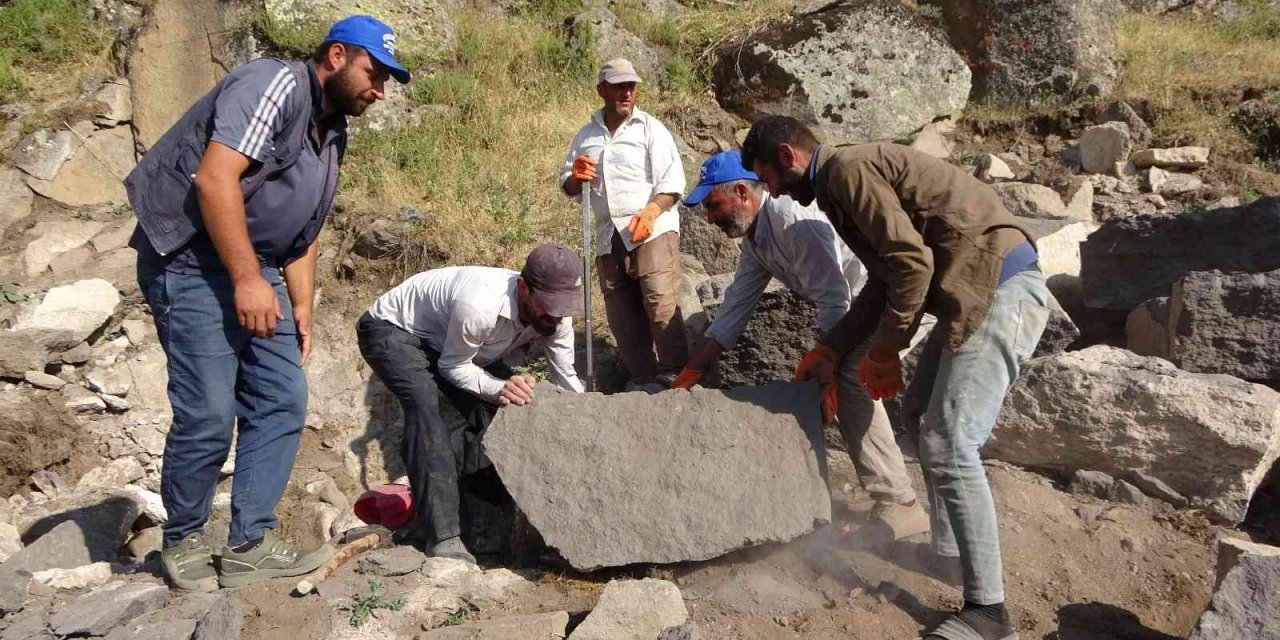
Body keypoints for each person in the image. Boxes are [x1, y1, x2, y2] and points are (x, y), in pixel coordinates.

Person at [125, 15, 410, 591]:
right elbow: (215, 180)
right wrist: (250, 280)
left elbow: (304, 231)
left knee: (282, 396)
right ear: (336, 56)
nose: (379, 90)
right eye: (373, 74)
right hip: (190, 262)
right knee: (208, 412)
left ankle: (250, 542)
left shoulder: (332, 131)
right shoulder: (273, 84)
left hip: (255, 268)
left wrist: (300, 305)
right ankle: (182, 541)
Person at [740, 116, 1050, 640]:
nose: (767, 190)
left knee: (951, 443)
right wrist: (831, 348)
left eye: (765, 177)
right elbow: (884, 282)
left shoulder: (846, 171)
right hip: (972, 291)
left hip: (998, 288)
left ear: (789, 158)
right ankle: (952, 551)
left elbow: (912, 264)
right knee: (919, 413)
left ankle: (988, 613)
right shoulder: (842, 180)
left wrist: (885, 352)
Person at [671, 150, 932, 540]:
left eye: (713, 205)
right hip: (856, 308)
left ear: (742, 191)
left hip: (883, 301)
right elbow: (734, 309)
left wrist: (829, 367)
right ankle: (885, 492)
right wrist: (690, 373)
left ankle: (902, 504)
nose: (709, 218)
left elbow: (834, 299)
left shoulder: (794, 222)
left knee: (850, 379)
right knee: (835, 380)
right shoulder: (758, 240)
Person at [356, 244, 586, 564]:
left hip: (452, 346)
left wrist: (589, 422)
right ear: (523, 287)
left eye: (564, 307)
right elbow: (453, 367)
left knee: (499, 414)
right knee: (426, 410)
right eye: (548, 305)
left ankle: (485, 527)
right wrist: (498, 387)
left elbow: (566, 378)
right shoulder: (480, 305)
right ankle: (443, 537)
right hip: (394, 330)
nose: (556, 315)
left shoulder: (556, 318)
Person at [559, 58, 687, 391]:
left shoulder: (650, 128)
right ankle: (644, 379)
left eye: (631, 86)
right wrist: (575, 177)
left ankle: (676, 374)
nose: (627, 92)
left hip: (651, 227)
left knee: (660, 300)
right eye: (619, 86)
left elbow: (672, 182)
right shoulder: (586, 135)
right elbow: (568, 183)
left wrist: (652, 211)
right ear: (602, 90)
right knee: (621, 314)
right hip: (608, 233)